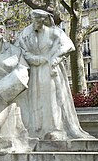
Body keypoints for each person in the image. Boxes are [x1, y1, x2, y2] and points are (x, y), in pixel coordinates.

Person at [16, 9, 93, 141]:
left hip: (50, 69)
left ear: (44, 20)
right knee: (36, 98)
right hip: (34, 70)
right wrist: (32, 58)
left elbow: (69, 45)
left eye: (39, 20)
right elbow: (19, 49)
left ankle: (55, 128)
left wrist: (55, 57)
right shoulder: (26, 33)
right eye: (34, 20)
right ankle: (37, 128)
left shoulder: (55, 31)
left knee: (52, 98)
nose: (36, 23)